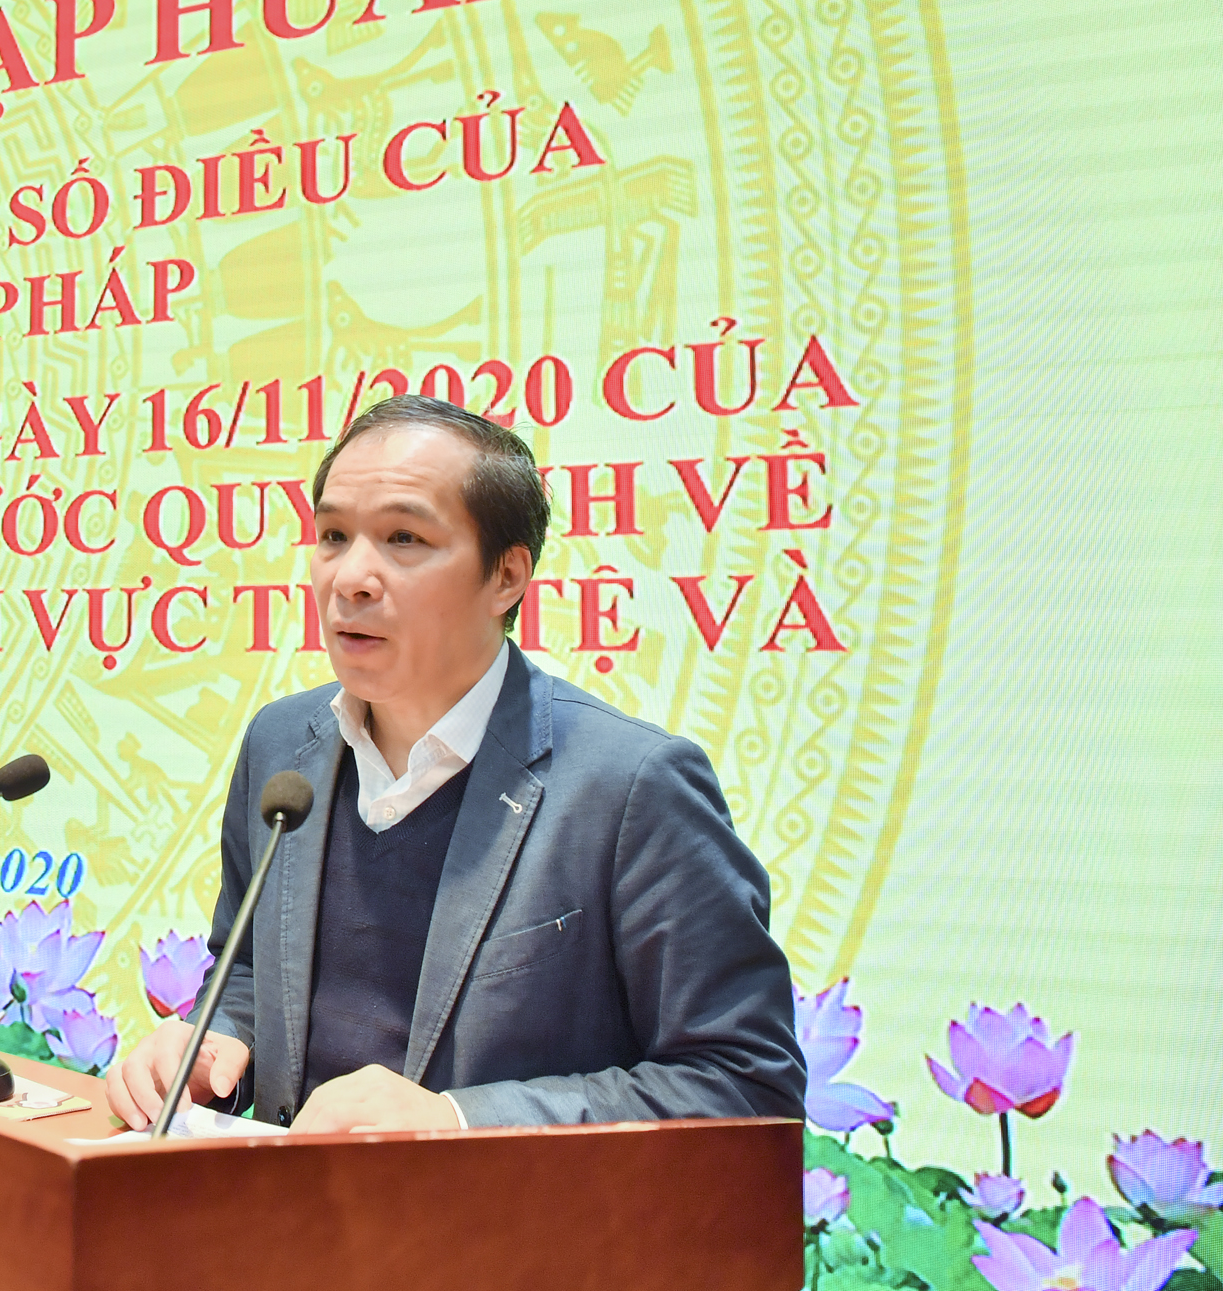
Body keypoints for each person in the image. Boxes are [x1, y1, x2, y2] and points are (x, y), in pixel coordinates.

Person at [106, 394, 806, 1132]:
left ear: (506, 576)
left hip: (500, 1207)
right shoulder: (281, 746)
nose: (350, 577)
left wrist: (458, 1120)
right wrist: (214, 1042)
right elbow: (248, 968)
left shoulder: (632, 786)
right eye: (333, 535)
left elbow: (743, 1084)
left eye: (404, 538)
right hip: (292, 1198)